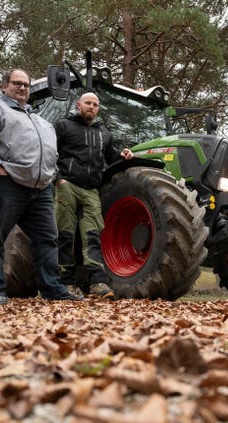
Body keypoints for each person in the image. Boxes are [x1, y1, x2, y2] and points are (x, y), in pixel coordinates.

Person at [0, 68, 84, 305]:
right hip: (5, 183)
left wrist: (48, 176)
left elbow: (51, 151)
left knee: (47, 239)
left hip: (40, 189)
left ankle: (51, 288)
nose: (22, 88)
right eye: (17, 83)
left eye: (26, 85)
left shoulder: (39, 120)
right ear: (4, 86)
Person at [53, 92, 133, 298]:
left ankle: (97, 281)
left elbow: (110, 159)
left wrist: (123, 156)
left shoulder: (104, 134)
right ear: (79, 105)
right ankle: (66, 282)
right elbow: (49, 153)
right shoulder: (63, 126)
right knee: (66, 234)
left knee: (93, 235)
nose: (92, 107)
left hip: (91, 190)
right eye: (88, 103)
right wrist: (58, 179)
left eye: (95, 104)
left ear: (98, 109)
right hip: (67, 185)